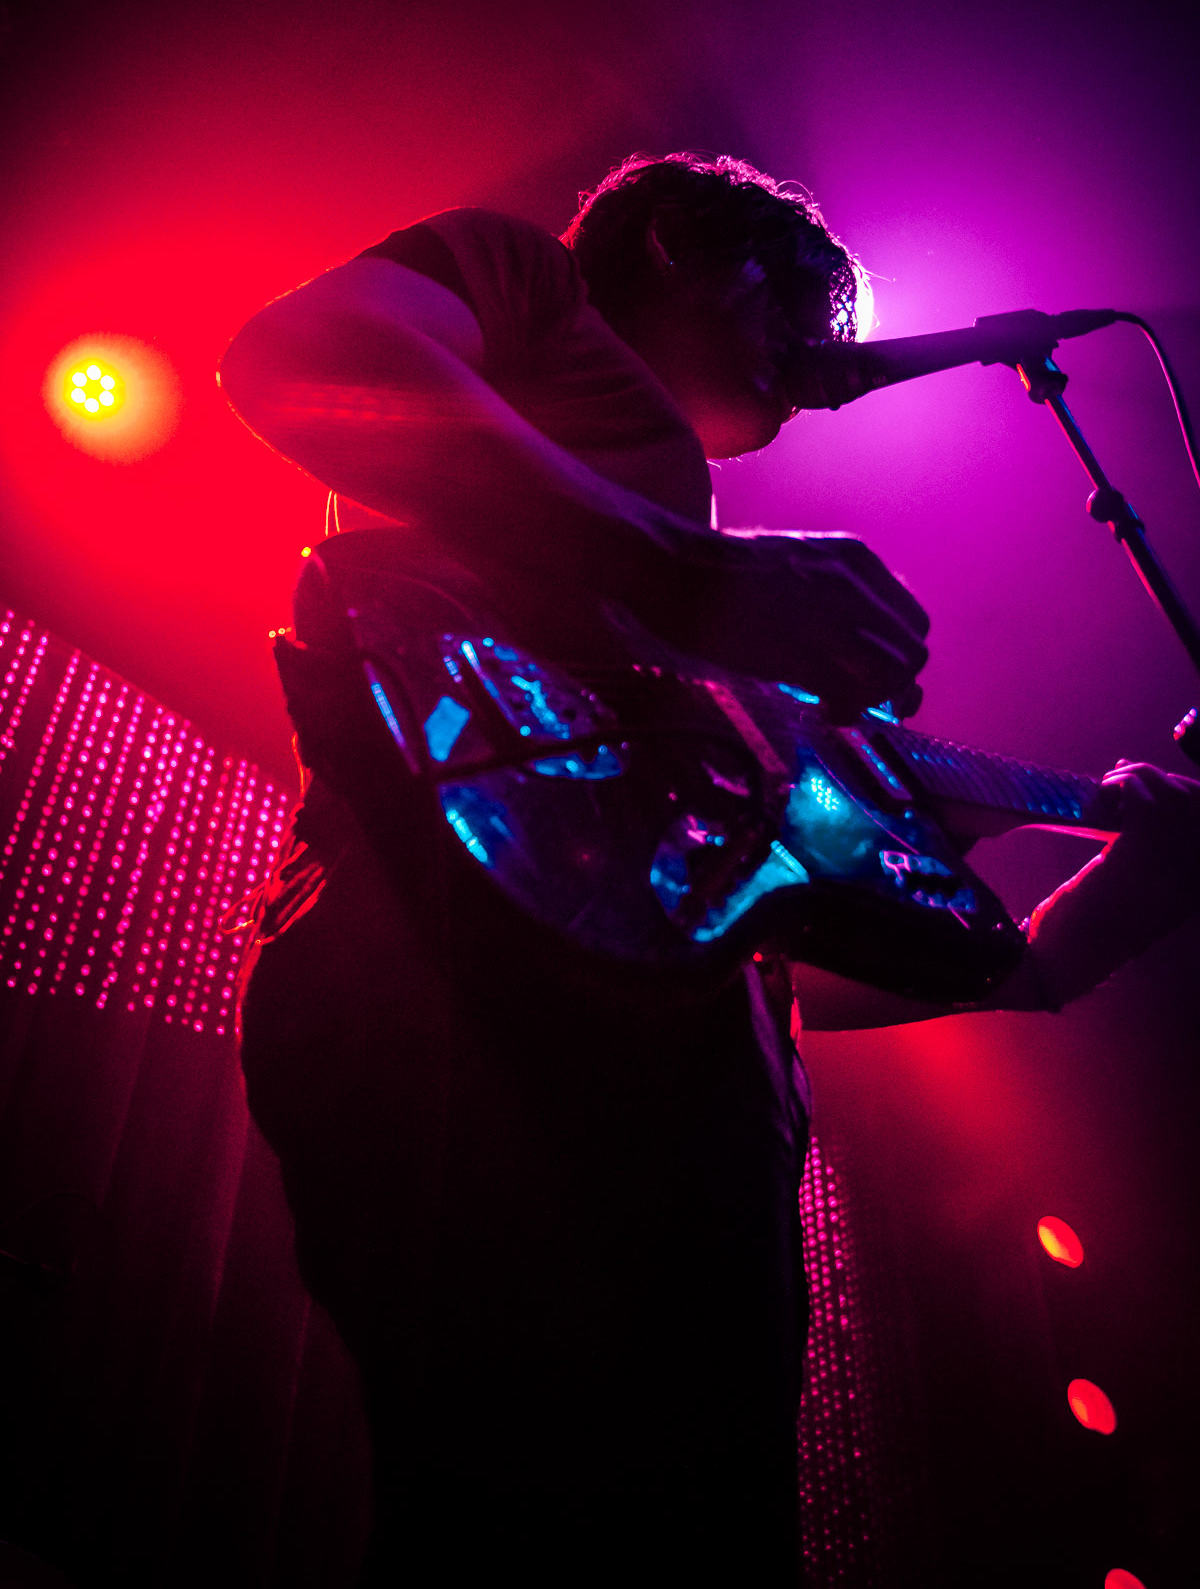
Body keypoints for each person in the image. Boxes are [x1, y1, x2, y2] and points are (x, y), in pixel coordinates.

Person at [220, 154, 1200, 1585]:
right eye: (785, 303)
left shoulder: (685, 637)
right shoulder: (529, 285)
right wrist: (689, 571)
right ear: (677, 244)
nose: (805, 358)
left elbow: (765, 958)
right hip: (451, 988)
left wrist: (1124, 899)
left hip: (683, 1106)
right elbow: (296, 358)